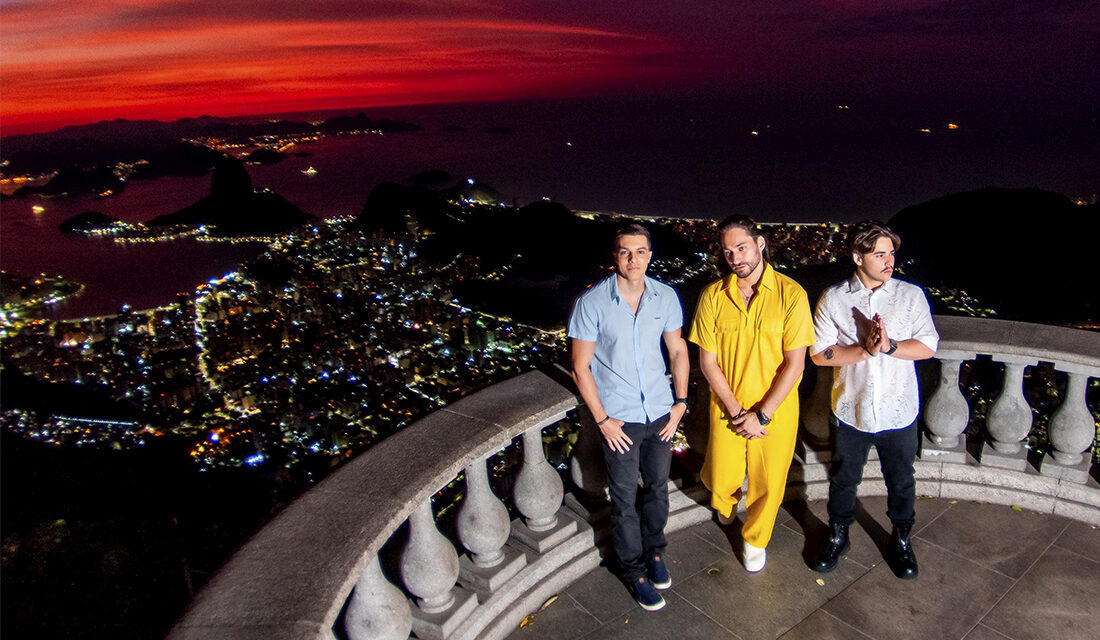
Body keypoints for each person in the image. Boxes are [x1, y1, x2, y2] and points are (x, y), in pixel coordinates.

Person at [568, 223, 689, 611]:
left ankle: (655, 552)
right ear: (614, 255)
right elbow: (579, 366)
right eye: (625, 251)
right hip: (619, 418)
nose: (633, 258)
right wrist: (602, 420)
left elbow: (678, 351)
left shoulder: (666, 297)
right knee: (622, 500)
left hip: (660, 411)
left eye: (640, 251)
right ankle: (633, 570)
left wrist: (681, 401)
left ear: (650, 256)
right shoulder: (592, 303)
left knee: (657, 489)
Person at [809, 220, 938, 579]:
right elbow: (820, 354)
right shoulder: (834, 298)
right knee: (843, 478)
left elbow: (928, 345)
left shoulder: (909, 296)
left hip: (899, 410)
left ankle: (901, 538)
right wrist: (864, 351)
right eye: (879, 253)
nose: (889, 260)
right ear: (857, 256)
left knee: (901, 480)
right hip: (852, 409)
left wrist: (891, 346)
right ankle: (838, 534)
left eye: (892, 253)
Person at [688, 215, 814, 572]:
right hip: (726, 404)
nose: (735, 257)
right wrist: (735, 409)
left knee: (769, 479)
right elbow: (707, 362)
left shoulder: (791, 294)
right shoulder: (713, 295)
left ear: (761, 244)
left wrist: (762, 414)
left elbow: (796, 363)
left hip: (776, 408)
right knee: (721, 474)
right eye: (727, 251)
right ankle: (726, 504)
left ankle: (755, 539)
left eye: (741, 247)